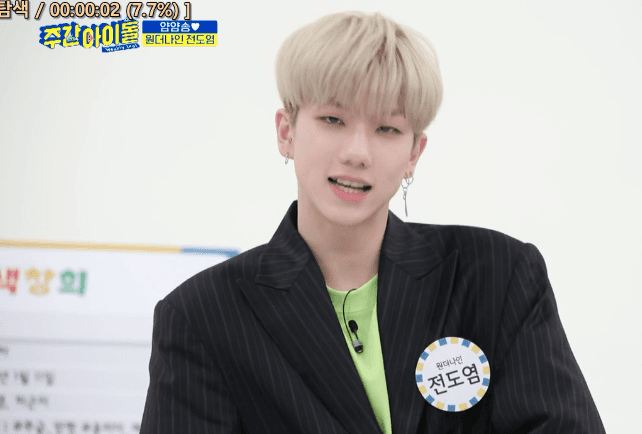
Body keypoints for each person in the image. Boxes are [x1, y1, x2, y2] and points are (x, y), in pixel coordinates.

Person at [140, 11, 605, 434]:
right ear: (287, 132)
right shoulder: (202, 316)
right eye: (332, 119)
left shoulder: (498, 276)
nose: (357, 153)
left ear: (414, 152)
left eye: (387, 129)